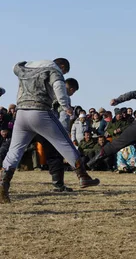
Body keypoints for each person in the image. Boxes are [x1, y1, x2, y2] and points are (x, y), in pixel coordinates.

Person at [0, 59, 100, 203]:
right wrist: (65, 106)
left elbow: (15, 67)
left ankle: (3, 185)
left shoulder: (24, 69)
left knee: (15, 150)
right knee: (64, 143)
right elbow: (59, 86)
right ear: (62, 66)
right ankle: (83, 176)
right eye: (64, 72)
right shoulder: (53, 70)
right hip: (41, 112)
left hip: (21, 113)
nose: (63, 74)